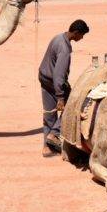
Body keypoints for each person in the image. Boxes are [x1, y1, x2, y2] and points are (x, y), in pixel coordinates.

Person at [38, 19, 89, 157]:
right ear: (76, 33)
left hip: (44, 78)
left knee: (49, 113)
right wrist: (60, 97)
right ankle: (54, 134)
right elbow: (59, 75)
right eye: (82, 35)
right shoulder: (64, 49)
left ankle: (46, 148)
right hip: (54, 82)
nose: (82, 38)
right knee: (72, 106)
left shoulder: (58, 37)